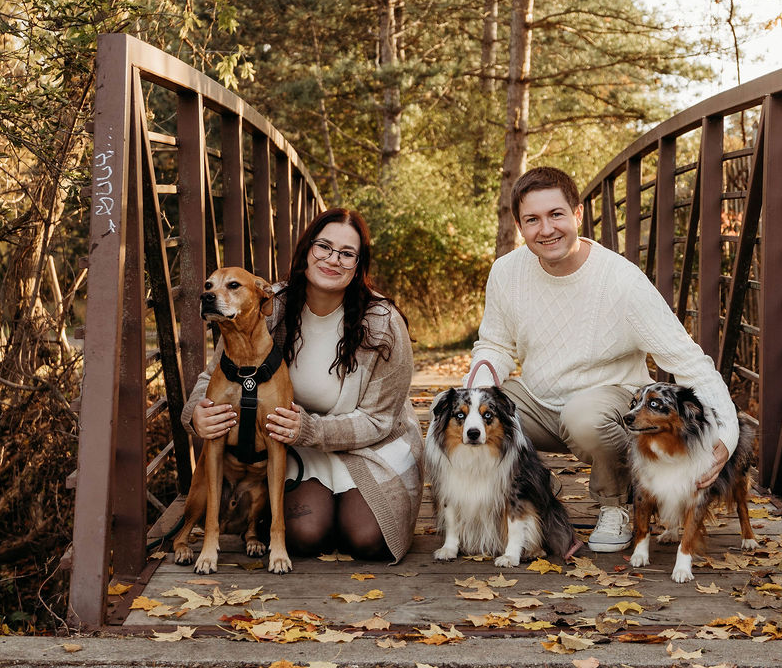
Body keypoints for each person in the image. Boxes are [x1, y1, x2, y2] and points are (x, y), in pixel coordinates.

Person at [468, 165, 740, 552]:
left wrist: (725, 434)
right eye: (532, 220)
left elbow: (687, 360)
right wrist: (474, 396)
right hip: (538, 396)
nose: (546, 229)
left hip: (609, 403)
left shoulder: (622, 282)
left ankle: (616, 504)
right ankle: (521, 500)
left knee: (584, 416)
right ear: (520, 225)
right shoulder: (506, 272)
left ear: (578, 214)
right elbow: (494, 344)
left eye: (556, 214)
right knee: (486, 416)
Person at [182, 208, 424, 561]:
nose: (332, 260)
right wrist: (195, 414)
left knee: (368, 538)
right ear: (306, 250)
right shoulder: (268, 303)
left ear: (359, 265)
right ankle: (321, 508)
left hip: (370, 448)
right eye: (323, 247)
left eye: (346, 254)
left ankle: (354, 505)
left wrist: (310, 430)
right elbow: (212, 377)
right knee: (305, 535)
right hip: (298, 449)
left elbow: (379, 421)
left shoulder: (382, 324)